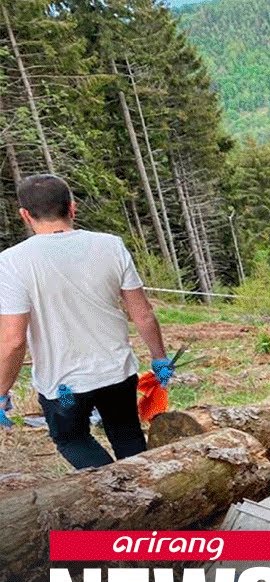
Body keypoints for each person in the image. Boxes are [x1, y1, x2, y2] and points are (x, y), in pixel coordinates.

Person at [0, 174, 175, 469]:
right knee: (127, 434)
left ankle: (114, 491)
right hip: (116, 374)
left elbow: (14, 340)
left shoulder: (12, 262)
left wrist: (2, 391)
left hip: (65, 388)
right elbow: (143, 312)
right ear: (73, 207)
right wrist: (159, 358)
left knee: (73, 439)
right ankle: (144, 489)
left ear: (25, 215)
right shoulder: (111, 246)